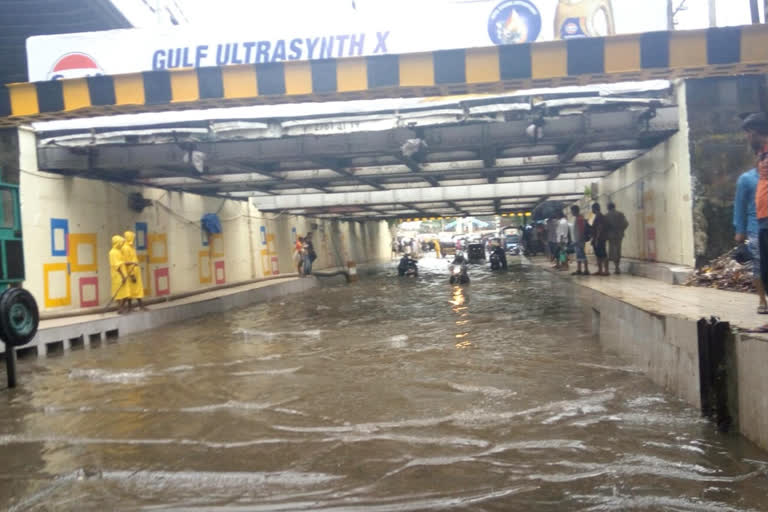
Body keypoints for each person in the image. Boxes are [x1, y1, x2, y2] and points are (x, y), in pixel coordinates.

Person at [736, 113, 768, 314]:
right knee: (763, 268)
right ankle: (762, 302)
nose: (746, 139)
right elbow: (739, 205)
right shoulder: (761, 157)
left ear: (754, 132)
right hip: (761, 221)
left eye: (747, 134)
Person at [122, 231, 146, 312]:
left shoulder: (131, 247)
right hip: (131, 272)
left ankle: (138, 306)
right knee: (131, 291)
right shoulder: (125, 248)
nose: (134, 239)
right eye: (132, 237)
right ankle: (132, 307)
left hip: (136, 272)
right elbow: (127, 262)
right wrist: (132, 275)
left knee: (137, 290)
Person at [604, 203, 630, 275]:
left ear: (608, 208)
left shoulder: (606, 216)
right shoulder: (620, 214)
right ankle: (617, 268)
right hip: (619, 235)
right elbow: (626, 223)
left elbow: (604, 227)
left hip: (611, 236)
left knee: (612, 251)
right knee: (618, 250)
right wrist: (621, 230)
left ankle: (613, 267)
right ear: (614, 207)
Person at [109, 235, 129, 314]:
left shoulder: (118, 251)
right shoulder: (112, 252)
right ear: (117, 243)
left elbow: (122, 262)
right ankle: (120, 308)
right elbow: (117, 266)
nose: (122, 244)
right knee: (119, 293)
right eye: (121, 243)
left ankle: (121, 308)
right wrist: (123, 276)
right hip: (118, 275)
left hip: (123, 273)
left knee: (126, 293)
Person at [570, 205, 590, 276]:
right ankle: (579, 269)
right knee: (578, 255)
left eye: (571, 211)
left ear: (575, 211)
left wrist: (579, 240)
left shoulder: (580, 218)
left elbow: (581, 230)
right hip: (577, 240)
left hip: (579, 240)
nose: (571, 212)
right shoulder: (577, 218)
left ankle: (586, 270)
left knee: (582, 255)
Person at [591, 203, 609, 276]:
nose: (592, 210)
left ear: (595, 208)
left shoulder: (599, 216)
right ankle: (600, 270)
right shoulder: (597, 216)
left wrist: (596, 239)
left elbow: (599, 228)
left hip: (600, 239)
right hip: (598, 238)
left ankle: (606, 271)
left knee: (603, 255)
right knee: (598, 255)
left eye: (592, 209)